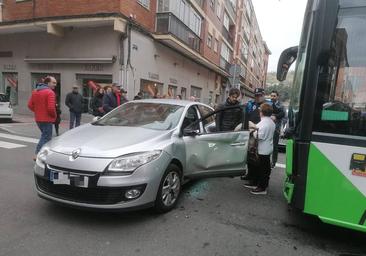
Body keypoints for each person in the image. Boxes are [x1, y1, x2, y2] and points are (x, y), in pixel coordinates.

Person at [244, 103, 275, 195]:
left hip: (262, 149)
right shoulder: (270, 122)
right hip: (266, 148)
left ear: (262, 112)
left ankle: (262, 187)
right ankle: (257, 183)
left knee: (263, 170)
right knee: (261, 168)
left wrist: (253, 131)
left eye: (260, 110)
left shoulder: (264, 123)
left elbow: (260, 136)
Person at [241, 88, 271, 182]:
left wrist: (275, 116)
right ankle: (250, 174)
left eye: (260, 95)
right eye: (256, 95)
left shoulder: (268, 105)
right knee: (250, 155)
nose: (258, 97)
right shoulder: (251, 104)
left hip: (261, 133)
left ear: (263, 95)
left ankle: (256, 178)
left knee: (257, 157)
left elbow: (279, 113)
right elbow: (245, 115)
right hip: (250, 131)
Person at [28, 76, 57, 160]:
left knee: (46, 137)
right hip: (47, 119)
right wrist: (54, 116)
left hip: (38, 119)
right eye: (53, 83)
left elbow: (29, 105)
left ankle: (45, 155)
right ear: (48, 83)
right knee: (46, 137)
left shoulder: (35, 91)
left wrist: (37, 111)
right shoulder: (50, 92)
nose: (55, 85)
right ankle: (38, 153)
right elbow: (51, 108)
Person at [270, 90, 285, 168]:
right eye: (271, 96)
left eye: (274, 96)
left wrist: (275, 116)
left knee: (275, 146)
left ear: (277, 97)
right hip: (268, 127)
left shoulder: (281, 105)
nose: (272, 97)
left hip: (276, 128)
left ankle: (274, 162)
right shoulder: (268, 103)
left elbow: (283, 114)